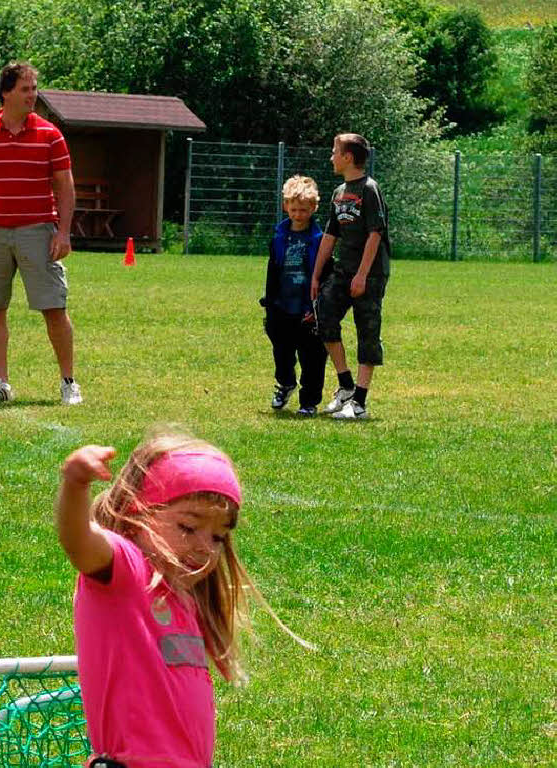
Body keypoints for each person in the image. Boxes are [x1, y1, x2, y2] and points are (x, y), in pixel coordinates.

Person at [54, 431, 312, 768]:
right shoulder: (128, 572)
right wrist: (75, 485)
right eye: (189, 527)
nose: (206, 547)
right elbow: (79, 543)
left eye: (218, 536)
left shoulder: (185, 599)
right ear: (138, 511)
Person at [0, 61, 82, 405]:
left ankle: (69, 383)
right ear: (6, 92)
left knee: (54, 307)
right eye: (26, 89)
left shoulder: (50, 134)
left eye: (34, 88)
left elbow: (65, 187)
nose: (33, 95)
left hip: (38, 231)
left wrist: (63, 232)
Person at [310, 133, 390, 420]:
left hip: (369, 274)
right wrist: (316, 276)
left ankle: (359, 403)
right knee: (324, 316)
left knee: (367, 331)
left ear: (348, 157)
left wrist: (362, 276)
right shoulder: (338, 192)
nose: (331, 157)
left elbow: (375, 234)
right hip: (343, 271)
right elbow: (331, 236)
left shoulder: (370, 189)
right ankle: (345, 387)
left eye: (335, 152)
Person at [260, 175, 328, 416]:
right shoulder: (279, 235)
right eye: (294, 209)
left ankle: (309, 401)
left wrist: (318, 306)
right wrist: (269, 302)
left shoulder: (320, 239)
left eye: (303, 210)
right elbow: (272, 269)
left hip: (308, 308)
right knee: (281, 350)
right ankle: (285, 382)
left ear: (313, 208)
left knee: (313, 356)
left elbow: (325, 273)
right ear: (285, 206)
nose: (298, 214)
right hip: (281, 305)